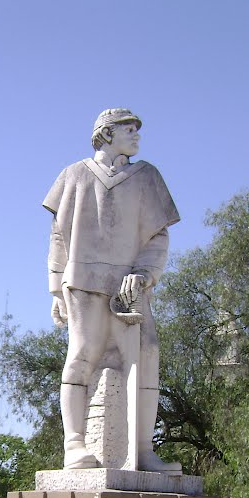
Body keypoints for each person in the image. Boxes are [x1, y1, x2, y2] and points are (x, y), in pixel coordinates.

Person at [44, 108, 181, 472]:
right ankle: (73, 444)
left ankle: (142, 451)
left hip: (129, 284)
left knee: (146, 353)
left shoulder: (147, 176)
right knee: (83, 353)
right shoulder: (73, 175)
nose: (137, 136)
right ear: (106, 133)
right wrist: (56, 290)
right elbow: (58, 237)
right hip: (84, 280)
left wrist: (145, 272)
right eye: (129, 129)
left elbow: (158, 236)